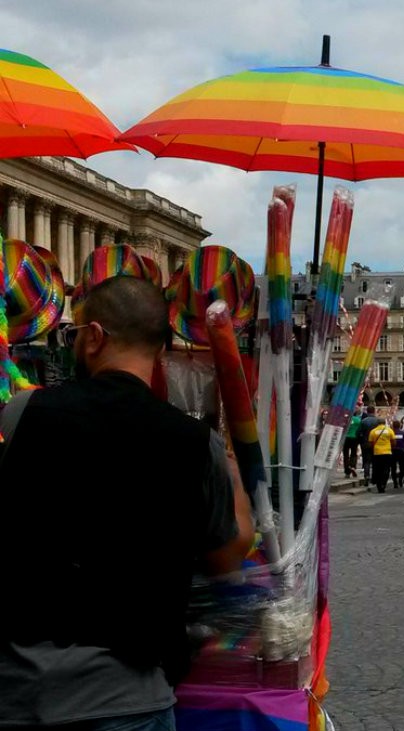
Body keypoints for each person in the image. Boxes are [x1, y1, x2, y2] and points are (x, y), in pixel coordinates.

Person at [0, 276, 254, 729]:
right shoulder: (195, 443)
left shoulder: (24, 413)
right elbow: (227, 555)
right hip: (130, 694)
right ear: (160, 352)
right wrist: (232, 476)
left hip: (20, 690)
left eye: (74, 335)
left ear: (94, 337)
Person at [368, 417, 397, 493]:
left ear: (377, 423)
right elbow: (394, 442)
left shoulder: (373, 431)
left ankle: (379, 485)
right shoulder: (389, 430)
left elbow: (371, 443)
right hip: (387, 452)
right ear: (384, 423)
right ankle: (383, 484)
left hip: (377, 453)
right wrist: (390, 447)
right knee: (386, 469)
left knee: (378, 470)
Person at [358, 405, 381, 483]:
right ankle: (374, 478)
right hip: (375, 443)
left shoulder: (363, 421)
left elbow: (359, 432)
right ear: (374, 411)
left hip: (365, 443)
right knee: (375, 461)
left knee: (366, 461)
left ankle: (366, 476)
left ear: (367, 411)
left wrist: (361, 441)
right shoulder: (377, 421)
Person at [392, 418, 404, 490]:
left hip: (393, 451)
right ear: (400, 426)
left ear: (393, 426)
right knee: (402, 467)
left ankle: (395, 482)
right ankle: (400, 479)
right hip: (402, 451)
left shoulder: (391, 433)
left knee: (393, 468)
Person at [342, 408, 361, 478]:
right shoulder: (358, 420)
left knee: (346, 454)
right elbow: (360, 430)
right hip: (354, 438)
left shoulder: (346, 419)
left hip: (346, 438)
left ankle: (347, 471)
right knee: (353, 453)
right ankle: (353, 466)